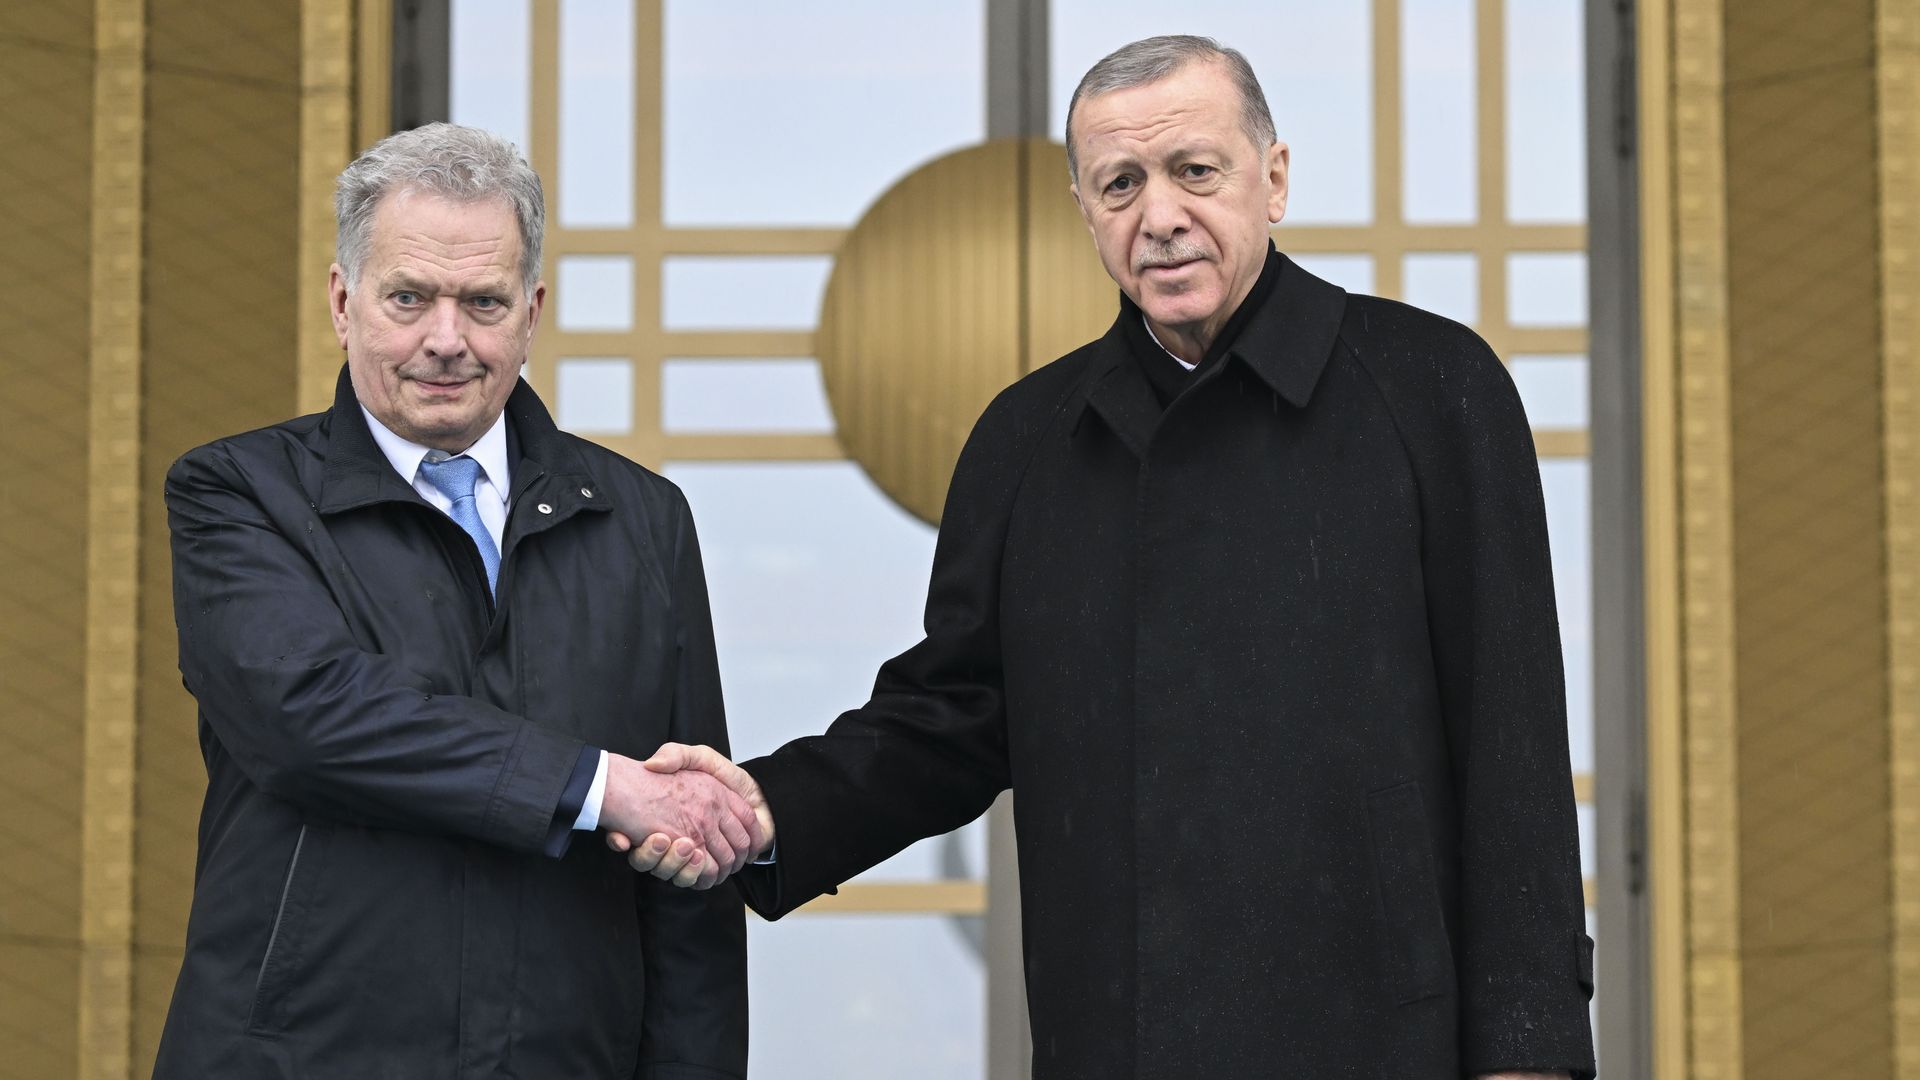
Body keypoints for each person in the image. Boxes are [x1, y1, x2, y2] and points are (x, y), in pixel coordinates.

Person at [623, 35, 1596, 1080]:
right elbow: (949, 720)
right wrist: (765, 809)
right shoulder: (1027, 439)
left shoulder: (1435, 390)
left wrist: (1529, 1053)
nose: (1160, 217)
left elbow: (1514, 758)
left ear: (1273, 180)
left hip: (1383, 1037)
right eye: (1120, 184)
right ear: (1086, 212)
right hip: (1120, 1036)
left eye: (1196, 171)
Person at [152, 123, 761, 1079]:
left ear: (532, 312)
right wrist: (602, 787)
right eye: (408, 298)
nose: (446, 340)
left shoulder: (644, 519)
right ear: (343, 301)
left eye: (483, 302)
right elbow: (309, 715)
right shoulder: (237, 492)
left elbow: (686, 874)